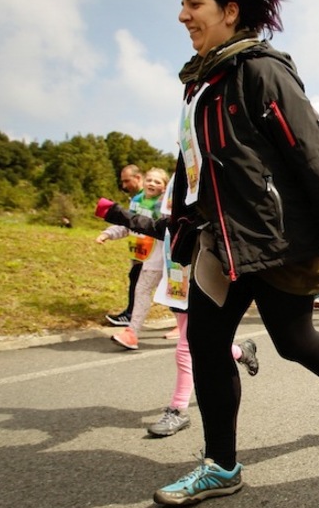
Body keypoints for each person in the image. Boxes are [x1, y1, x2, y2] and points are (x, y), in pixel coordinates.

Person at [153, 0, 319, 507]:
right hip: (220, 243)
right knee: (204, 344)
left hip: (278, 243)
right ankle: (222, 465)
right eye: (182, 4)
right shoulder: (199, 84)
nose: (183, 15)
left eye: (194, 4)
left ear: (230, 12)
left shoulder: (262, 71)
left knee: (293, 343)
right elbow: (193, 164)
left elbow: (312, 155)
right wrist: (181, 221)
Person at [95, 192, 261, 437]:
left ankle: (178, 410)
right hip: (177, 284)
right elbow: (156, 226)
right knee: (201, 344)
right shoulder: (182, 196)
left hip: (202, 281)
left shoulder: (211, 199)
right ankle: (240, 351)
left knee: (185, 347)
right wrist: (113, 212)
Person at [96, 168, 170, 350]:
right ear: (143, 182)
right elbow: (129, 224)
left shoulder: (165, 208)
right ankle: (186, 330)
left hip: (161, 258)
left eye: (157, 182)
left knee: (144, 291)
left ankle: (132, 333)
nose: (152, 183)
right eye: (149, 180)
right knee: (173, 296)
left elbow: (158, 228)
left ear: (164, 188)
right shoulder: (138, 204)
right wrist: (107, 233)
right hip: (149, 258)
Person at [104, 164, 144, 327]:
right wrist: (109, 233)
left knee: (140, 281)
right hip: (138, 250)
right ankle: (131, 315)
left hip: (151, 251)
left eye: (127, 181)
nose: (124, 186)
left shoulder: (151, 197)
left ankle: (130, 316)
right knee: (136, 280)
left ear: (138, 178)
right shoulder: (135, 199)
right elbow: (130, 224)